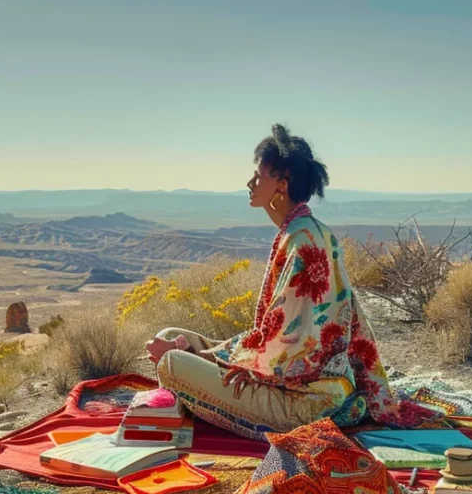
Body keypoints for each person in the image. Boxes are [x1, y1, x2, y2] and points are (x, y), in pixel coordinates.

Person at [151, 124, 440, 440]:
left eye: (259, 176)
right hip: (306, 381)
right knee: (171, 336)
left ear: (282, 185)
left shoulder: (302, 243)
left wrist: (197, 356)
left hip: (304, 401)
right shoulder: (311, 232)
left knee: (172, 365)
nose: (250, 183)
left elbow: (281, 347)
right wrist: (198, 351)